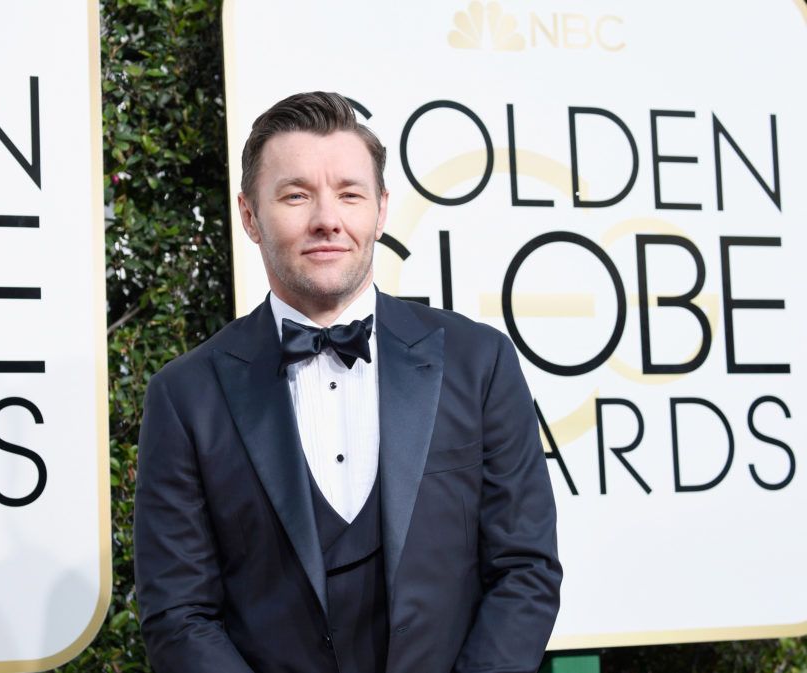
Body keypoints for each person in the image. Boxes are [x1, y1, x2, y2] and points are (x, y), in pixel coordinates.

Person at [134, 91, 562, 673]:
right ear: (250, 216)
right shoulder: (186, 396)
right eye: (296, 195)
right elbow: (178, 613)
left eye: (350, 194)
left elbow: (525, 569)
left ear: (381, 210)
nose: (327, 219)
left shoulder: (479, 362)